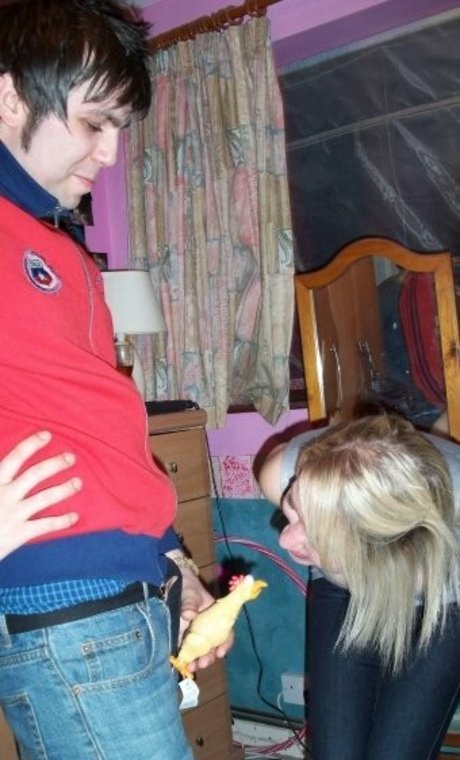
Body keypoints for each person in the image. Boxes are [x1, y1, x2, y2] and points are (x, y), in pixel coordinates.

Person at [0, 1, 231, 757]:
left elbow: (103, 437)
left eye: (120, 129)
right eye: (94, 122)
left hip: (126, 590)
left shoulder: (62, 252)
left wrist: (174, 565)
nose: (109, 153)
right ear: (11, 98)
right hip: (64, 601)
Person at [258, 414, 460, 760]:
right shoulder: (280, 472)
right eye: (293, 508)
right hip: (347, 582)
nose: (285, 540)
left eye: (318, 534)